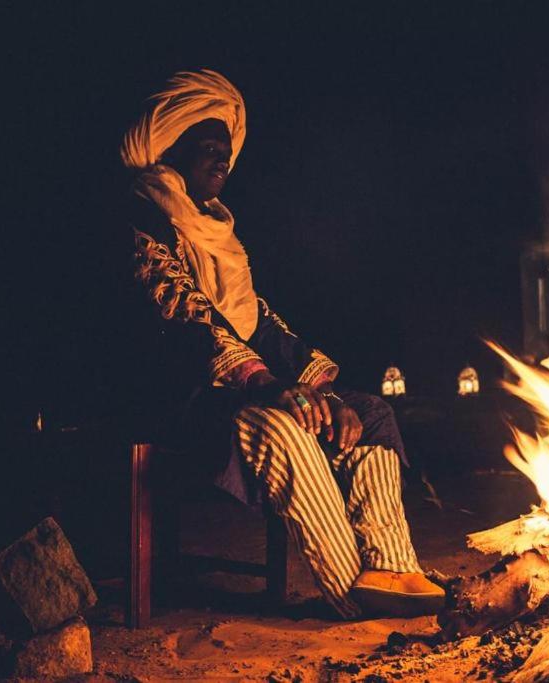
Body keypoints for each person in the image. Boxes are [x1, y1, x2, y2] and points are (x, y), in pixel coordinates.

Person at [121, 69, 443, 618]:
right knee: (278, 423)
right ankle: (350, 595)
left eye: (226, 151)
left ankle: (392, 570)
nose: (222, 160)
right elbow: (180, 314)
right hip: (173, 398)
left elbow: (258, 324)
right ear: (169, 149)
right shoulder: (138, 217)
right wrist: (269, 385)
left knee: (368, 412)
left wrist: (325, 392)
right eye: (207, 149)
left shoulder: (220, 234)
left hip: (236, 387)